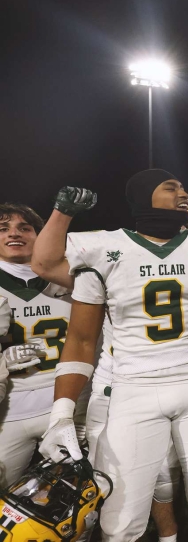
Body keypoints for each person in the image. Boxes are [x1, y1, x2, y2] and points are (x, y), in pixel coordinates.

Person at [35, 169, 188, 542]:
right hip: (132, 388)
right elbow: (80, 339)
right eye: (171, 187)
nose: (183, 192)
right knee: (121, 520)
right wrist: (62, 412)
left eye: (184, 186)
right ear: (142, 197)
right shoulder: (103, 248)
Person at [0, 203, 88, 489]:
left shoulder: (74, 278)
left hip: (69, 404)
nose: (15, 233)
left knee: (78, 497)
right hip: (9, 410)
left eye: (25, 227)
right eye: (3, 228)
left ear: (42, 235)